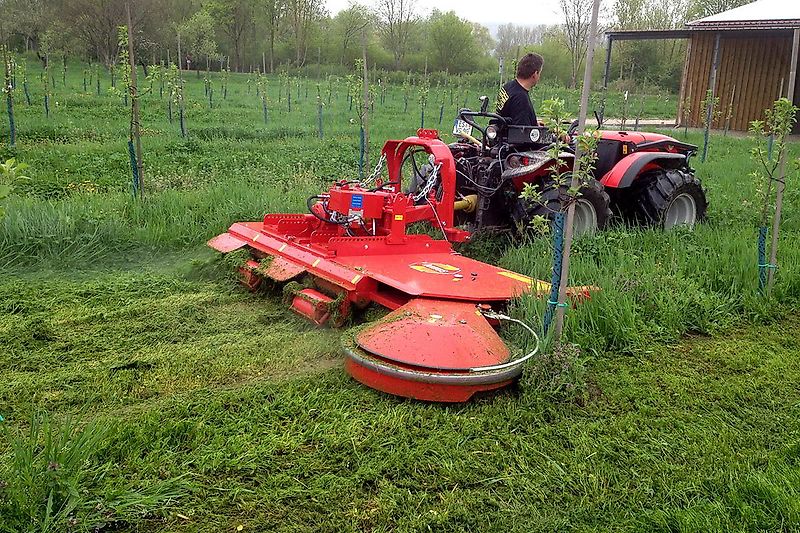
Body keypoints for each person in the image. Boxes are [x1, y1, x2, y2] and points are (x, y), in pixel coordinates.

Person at [496, 53, 543, 127]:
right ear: (535, 74)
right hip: (510, 137)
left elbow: (511, 118)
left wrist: (534, 122)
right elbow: (521, 134)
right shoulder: (521, 98)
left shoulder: (508, 86)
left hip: (500, 133)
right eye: (539, 73)